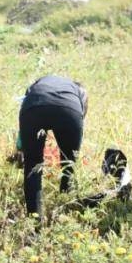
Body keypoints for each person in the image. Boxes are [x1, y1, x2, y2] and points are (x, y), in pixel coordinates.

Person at [16, 75, 88, 217]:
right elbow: (81, 113)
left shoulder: (39, 83)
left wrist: (22, 143)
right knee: (69, 164)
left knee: (32, 165)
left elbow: (26, 101)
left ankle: (34, 222)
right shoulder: (78, 90)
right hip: (69, 109)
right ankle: (64, 214)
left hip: (33, 106)